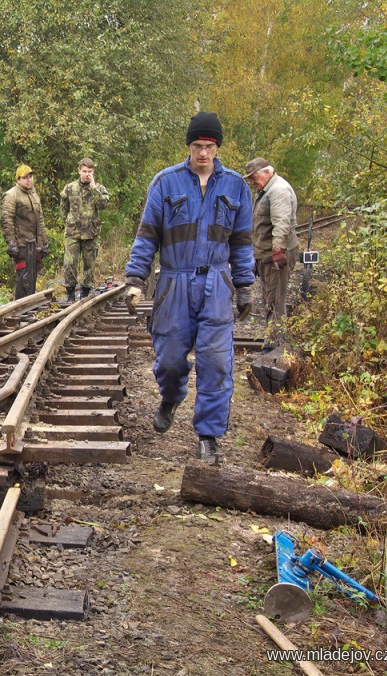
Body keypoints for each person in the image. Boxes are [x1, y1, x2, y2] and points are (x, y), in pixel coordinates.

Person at [123, 112, 255, 465]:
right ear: (189, 146)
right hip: (174, 281)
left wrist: (244, 286)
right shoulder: (165, 183)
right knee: (168, 360)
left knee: (216, 364)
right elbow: (147, 234)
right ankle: (171, 396)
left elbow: (242, 243)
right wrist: (136, 278)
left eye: (209, 146)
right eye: (197, 146)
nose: (202, 153)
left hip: (216, 283)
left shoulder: (236, 188)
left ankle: (208, 436)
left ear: (217, 148)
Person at [243, 157, 301, 349]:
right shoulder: (266, 190)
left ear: (267, 172)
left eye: (254, 177)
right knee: (269, 298)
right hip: (266, 254)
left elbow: (281, 223)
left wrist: (278, 250)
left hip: (275, 256)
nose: (252, 182)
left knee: (275, 301)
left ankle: (275, 347)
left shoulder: (278, 190)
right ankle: (273, 343)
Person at [60, 158, 110, 301]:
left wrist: (93, 188)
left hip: (91, 233)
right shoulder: (70, 188)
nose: (87, 174)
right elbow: (63, 207)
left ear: (93, 172)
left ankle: (85, 293)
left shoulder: (99, 188)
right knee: (69, 264)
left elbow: (103, 205)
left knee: (89, 265)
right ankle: (70, 292)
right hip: (73, 233)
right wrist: (68, 221)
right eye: (84, 171)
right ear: (79, 171)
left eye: (89, 171)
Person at [1, 164, 49, 299]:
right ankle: (20, 310)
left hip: (35, 244)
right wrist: (11, 242)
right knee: (23, 278)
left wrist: (44, 242)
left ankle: (28, 308)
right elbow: (6, 220)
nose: (29, 180)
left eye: (30, 176)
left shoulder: (34, 194)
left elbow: (40, 220)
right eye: (25, 177)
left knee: (32, 276)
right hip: (21, 244)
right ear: (18, 179)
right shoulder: (11, 195)